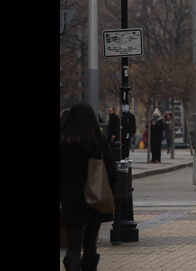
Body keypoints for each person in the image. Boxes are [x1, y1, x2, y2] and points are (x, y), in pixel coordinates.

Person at [60, 102, 117, 271]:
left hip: (71, 198)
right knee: (91, 243)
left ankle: (73, 266)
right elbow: (111, 171)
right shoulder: (98, 141)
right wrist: (110, 192)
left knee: (73, 244)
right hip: (95, 197)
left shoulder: (64, 142)